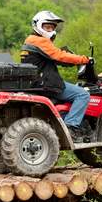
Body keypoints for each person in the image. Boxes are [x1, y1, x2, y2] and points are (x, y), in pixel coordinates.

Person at [20, 10, 91, 139]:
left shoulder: (29, 41)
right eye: (47, 26)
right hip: (46, 84)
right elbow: (59, 55)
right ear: (38, 26)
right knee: (82, 94)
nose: (50, 30)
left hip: (35, 83)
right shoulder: (39, 41)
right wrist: (83, 59)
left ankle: (63, 119)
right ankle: (71, 126)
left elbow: (52, 58)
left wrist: (67, 60)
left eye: (52, 27)